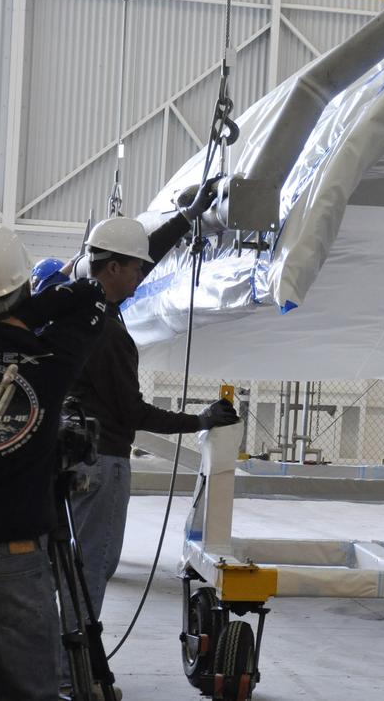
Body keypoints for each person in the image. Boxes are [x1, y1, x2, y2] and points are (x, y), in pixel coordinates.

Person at [67, 180, 240, 620]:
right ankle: (72, 675)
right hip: (104, 460)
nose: (143, 276)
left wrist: (185, 219)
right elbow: (133, 412)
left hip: (82, 454)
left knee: (84, 562)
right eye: (135, 270)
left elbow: (137, 257)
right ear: (111, 270)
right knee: (94, 566)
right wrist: (199, 420)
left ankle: (67, 663)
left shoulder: (82, 300)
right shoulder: (106, 335)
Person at [0, 221, 109, 699]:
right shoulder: (51, 360)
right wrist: (48, 301)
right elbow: (97, 298)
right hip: (11, 559)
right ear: (24, 287)